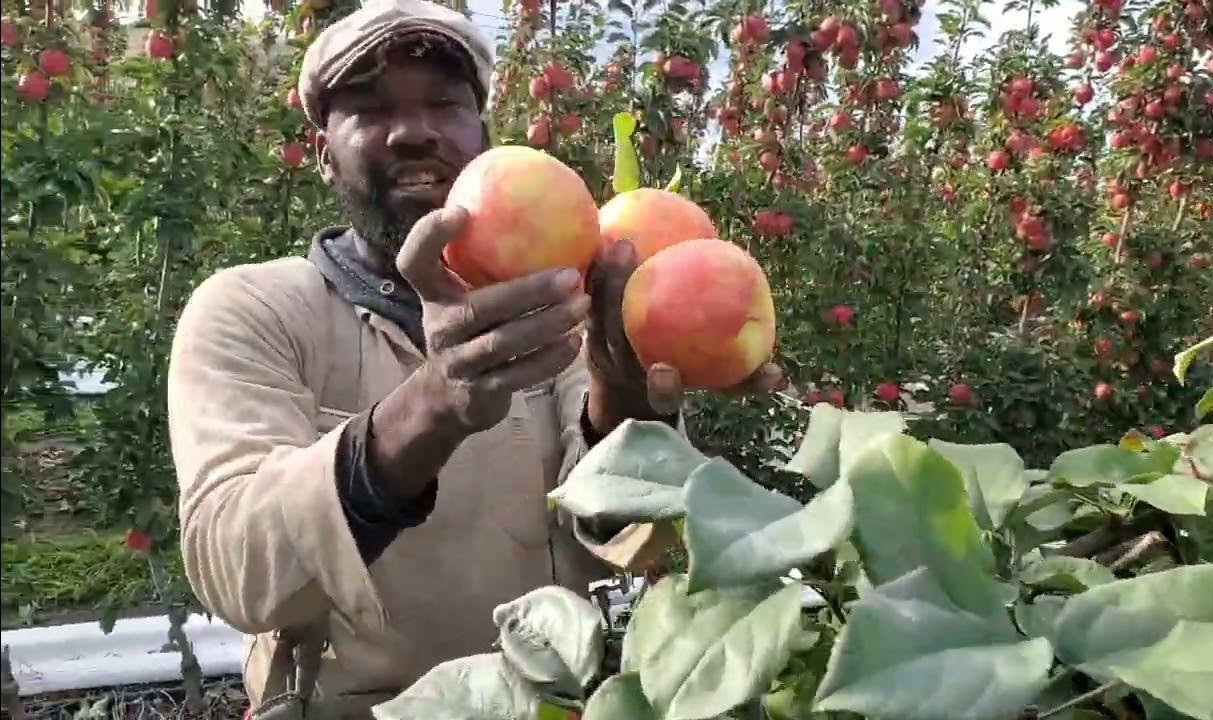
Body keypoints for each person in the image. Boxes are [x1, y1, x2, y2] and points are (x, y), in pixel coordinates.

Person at [165, 0, 780, 714]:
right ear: (325, 150)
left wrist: (624, 390)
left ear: (482, 135)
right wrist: (431, 405)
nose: (414, 131)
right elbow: (233, 567)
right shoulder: (255, 310)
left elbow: (635, 545)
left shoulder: (556, 306)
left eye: (445, 104)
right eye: (369, 107)